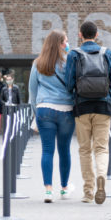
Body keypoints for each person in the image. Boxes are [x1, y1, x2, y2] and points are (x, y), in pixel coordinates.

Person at [64, 21, 111, 205]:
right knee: (101, 147)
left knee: (84, 149)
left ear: (80, 35)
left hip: (82, 108)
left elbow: (68, 84)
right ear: (97, 34)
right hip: (104, 107)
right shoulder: (108, 53)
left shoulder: (74, 54)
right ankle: (101, 175)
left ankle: (88, 192)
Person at [29, 30, 75, 203]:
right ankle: (64, 189)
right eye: (66, 41)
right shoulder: (69, 62)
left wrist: (36, 112)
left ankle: (48, 191)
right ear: (61, 44)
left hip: (44, 109)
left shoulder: (38, 63)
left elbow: (32, 91)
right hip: (66, 109)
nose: (67, 44)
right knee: (64, 150)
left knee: (47, 150)